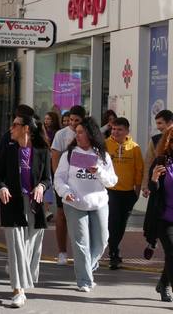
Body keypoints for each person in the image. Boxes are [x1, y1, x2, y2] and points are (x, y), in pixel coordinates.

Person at [54, 117, 118, 292]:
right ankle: (84, 280)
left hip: (99, 203)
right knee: (81, 243)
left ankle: (87, 266)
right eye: (77, 132)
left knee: (102, 241)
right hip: (74, 204)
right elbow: (59, 178)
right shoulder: (68, 154)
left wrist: (99, 172)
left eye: (81, 132)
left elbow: (112, 181)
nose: (77, 135)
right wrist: (66, 192)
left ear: (90, 134)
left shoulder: (102, 155)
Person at [0, 113, 52, 308]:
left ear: (26, 128)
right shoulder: (8, 149)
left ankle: (18, 273)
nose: (11, 128)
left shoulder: (42, 151)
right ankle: (18, 290)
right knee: (16, 247)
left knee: (30, 246)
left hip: (34, 204)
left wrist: (41, 187)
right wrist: (2, 188)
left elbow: (47, 179)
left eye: (15, 125)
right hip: (12, 202)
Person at [105, 117, 143, 270]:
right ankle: (113, 253)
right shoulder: (105, 145)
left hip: (128, 193)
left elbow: (139, 170)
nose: (116, 132)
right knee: (113, 222)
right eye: (114, 129)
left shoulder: (134, 148)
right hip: (110, 191)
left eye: (119, 129)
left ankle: (114, 248)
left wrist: (137, 192)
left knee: (122, 224)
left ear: (127, 131)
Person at [50, 105, 86, 265]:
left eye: (77, 120)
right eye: (71, 119)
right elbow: (55, 157)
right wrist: (58, 180)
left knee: (81, 217)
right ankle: (62, 252)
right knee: (61, 215)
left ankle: (81, 252)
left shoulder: (87, 133)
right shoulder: (61, 134)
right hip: (64, 181)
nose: (72, 123)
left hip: (82, 182)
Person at [144, 127, 173, 302]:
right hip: (165, 218)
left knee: (171, 256)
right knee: (172, 252)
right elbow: (153, 190)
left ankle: (163, 283)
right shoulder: (161, 161)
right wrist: (154, 179)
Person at [144, 110, 173, 197]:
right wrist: (145, 186)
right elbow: (148, 163)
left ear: (170, 122)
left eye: (160, 123)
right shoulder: (155, 140)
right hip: (159, 187)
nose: (158, 127)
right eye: (156, 124)